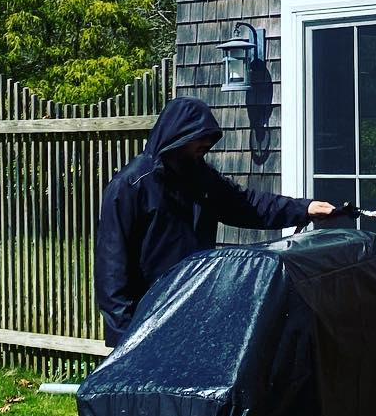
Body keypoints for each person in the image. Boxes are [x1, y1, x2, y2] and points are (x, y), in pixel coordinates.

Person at [95, 96, 336, 347]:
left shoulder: (200, 178)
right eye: (200, 138)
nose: (207, 144)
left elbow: (247, 205)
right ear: (179, 135)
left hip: (192, 312)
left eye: (209, 138)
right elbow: (111, 272)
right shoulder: (130, 186)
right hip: (146, 324)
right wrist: (127, 340)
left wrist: (304, 209)